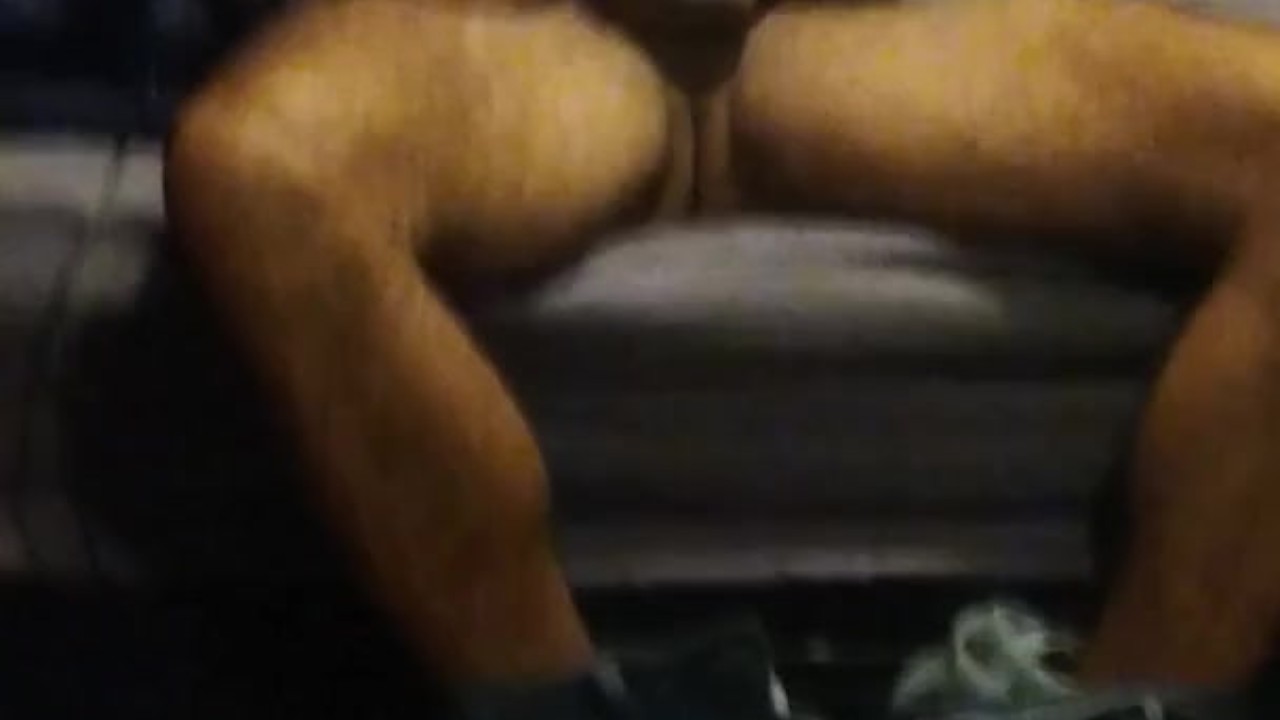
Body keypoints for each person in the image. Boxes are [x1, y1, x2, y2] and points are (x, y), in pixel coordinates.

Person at [165, 0, 1280, 716]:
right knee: (264, 166)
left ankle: (1138, 699)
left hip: (856, 37)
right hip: (524, 31)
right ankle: (556, 698)